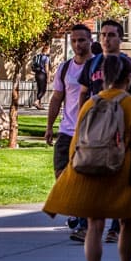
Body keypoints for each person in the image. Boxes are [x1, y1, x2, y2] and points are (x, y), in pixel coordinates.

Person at [44, 54, 131, 261]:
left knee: (95, 225)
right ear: (130, 77)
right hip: (124, 175)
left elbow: (76, 144)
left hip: (95, 172)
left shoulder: (90, 104)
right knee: (127, 224)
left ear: (104, 77)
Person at [78, 20, 131, 244]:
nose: (107, 39)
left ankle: (115, 227)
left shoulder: (130, 66)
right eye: (103, 35)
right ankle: (88, 224)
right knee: (92, 175)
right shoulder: (93, 64)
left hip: (120, 130)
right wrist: (81, 123)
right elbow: (83, 94)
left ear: (120, 38)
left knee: (119, 178)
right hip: (96, 129)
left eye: (112, 35)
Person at [45, 24, 94, 242]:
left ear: (90, 40)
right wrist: (49, 126)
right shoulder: (65, 68)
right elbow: (57, 98)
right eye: (73, 40)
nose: (77, 45)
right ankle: (76, 210)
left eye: (81, 40)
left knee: (83, 179)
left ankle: (84, 226)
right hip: (66, 130)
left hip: (90, 132)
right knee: (61, 176)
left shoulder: (97, 67)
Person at [32, 43, 51, 110]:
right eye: (49, 49)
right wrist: (48, 77)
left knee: (39, 89)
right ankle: (36, 101)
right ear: (46, 49)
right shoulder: (46, 58)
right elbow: (46, 68)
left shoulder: (38, 56)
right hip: (42, 74)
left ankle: (39, 105)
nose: (49, 51)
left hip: (37, 74)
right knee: (43, 90)